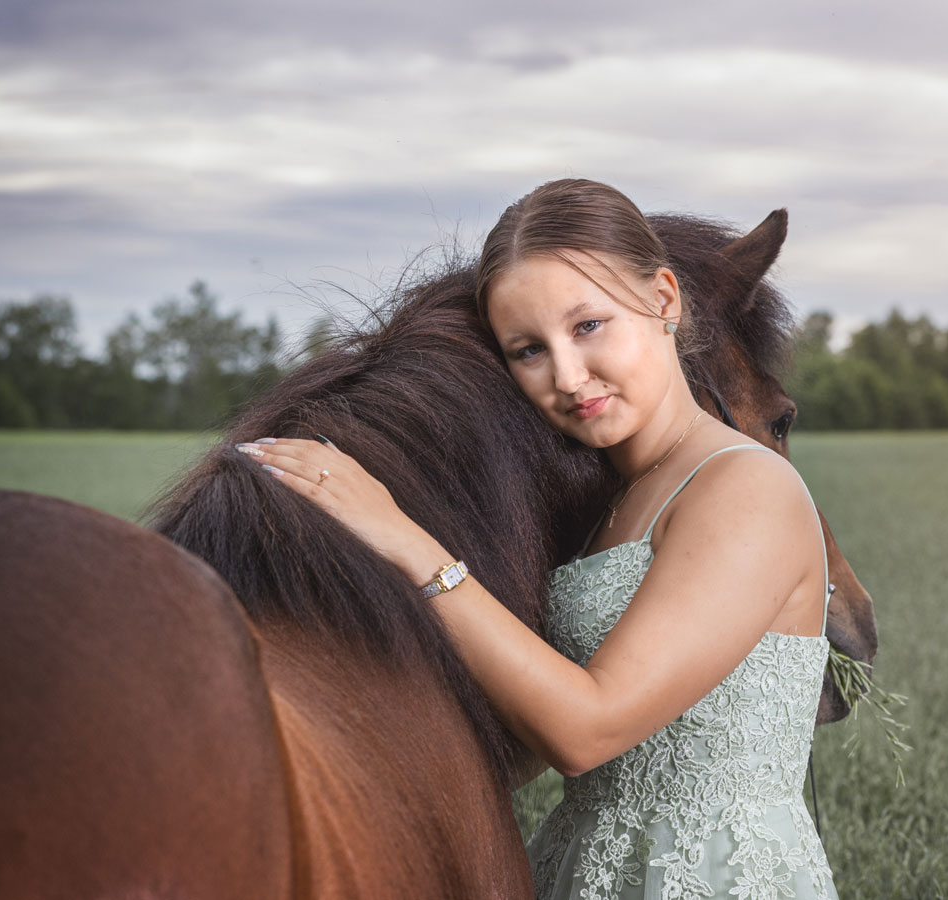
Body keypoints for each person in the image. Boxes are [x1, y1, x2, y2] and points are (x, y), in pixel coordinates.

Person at [236, 178, 839, 899]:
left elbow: (588, 731)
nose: (568, 376)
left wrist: (405, 539)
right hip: (582, 868)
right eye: (528, 350)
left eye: (588, 326)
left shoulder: (747, 489)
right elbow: (533, 726)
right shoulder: (614, 502)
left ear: (664, 300)